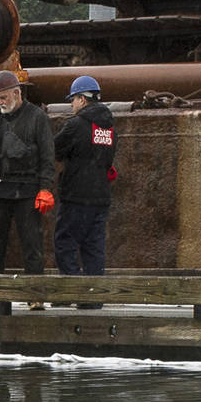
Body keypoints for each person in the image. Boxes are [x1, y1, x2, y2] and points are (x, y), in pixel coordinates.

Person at [0, 69, 53, 277]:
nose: (0, 103)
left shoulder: (37, 117)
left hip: (27, 189)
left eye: (3, 98)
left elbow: (47, 156)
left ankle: (35, 294)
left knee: (31, 243)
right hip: (0, 187)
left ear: (17, 93)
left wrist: (45, 188)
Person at [53, 74, 115, 283]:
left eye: (73, 100)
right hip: (100, 197)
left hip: (77, 197)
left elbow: (55, 150)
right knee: (94, 247)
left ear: (82, 99)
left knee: (65, 242)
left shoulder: (76, 125)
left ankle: (71, 288)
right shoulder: (109, 127)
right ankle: (92, 296)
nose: (72, 105)